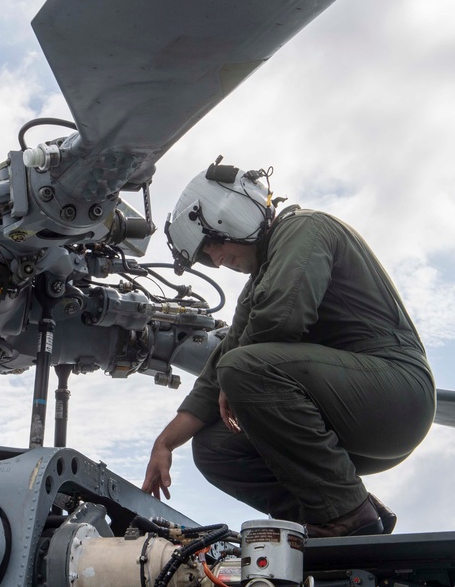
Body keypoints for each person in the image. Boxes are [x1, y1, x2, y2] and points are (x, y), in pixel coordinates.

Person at [141, 160, 435, 537]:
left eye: (214, 243)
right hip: (351, 424)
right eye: (206, 255)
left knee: (243, 367)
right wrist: (165, 442)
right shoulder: (258, 284)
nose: (216, 259)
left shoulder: (304, 229)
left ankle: (347, 513)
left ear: (234, 216)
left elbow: (283, 317)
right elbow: (217, 372)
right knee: (215, 448)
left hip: (397, 397)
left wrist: (235, 380)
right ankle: (326, 517)